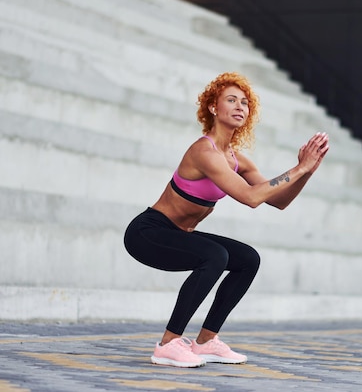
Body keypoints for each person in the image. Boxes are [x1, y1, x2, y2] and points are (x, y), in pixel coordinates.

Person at [123, 72, 329, 368]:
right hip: (148, 232)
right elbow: (250, 197)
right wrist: (298, 168)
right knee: (215, 256)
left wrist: (306, 171)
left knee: (248, 259)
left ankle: (206, 342)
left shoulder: (237, 159)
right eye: (231, 100)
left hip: (180, 233)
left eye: (245, 102)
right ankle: (168, 344)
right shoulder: (203, 151)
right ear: (213, 108)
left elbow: (279, 201)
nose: (239, 106)